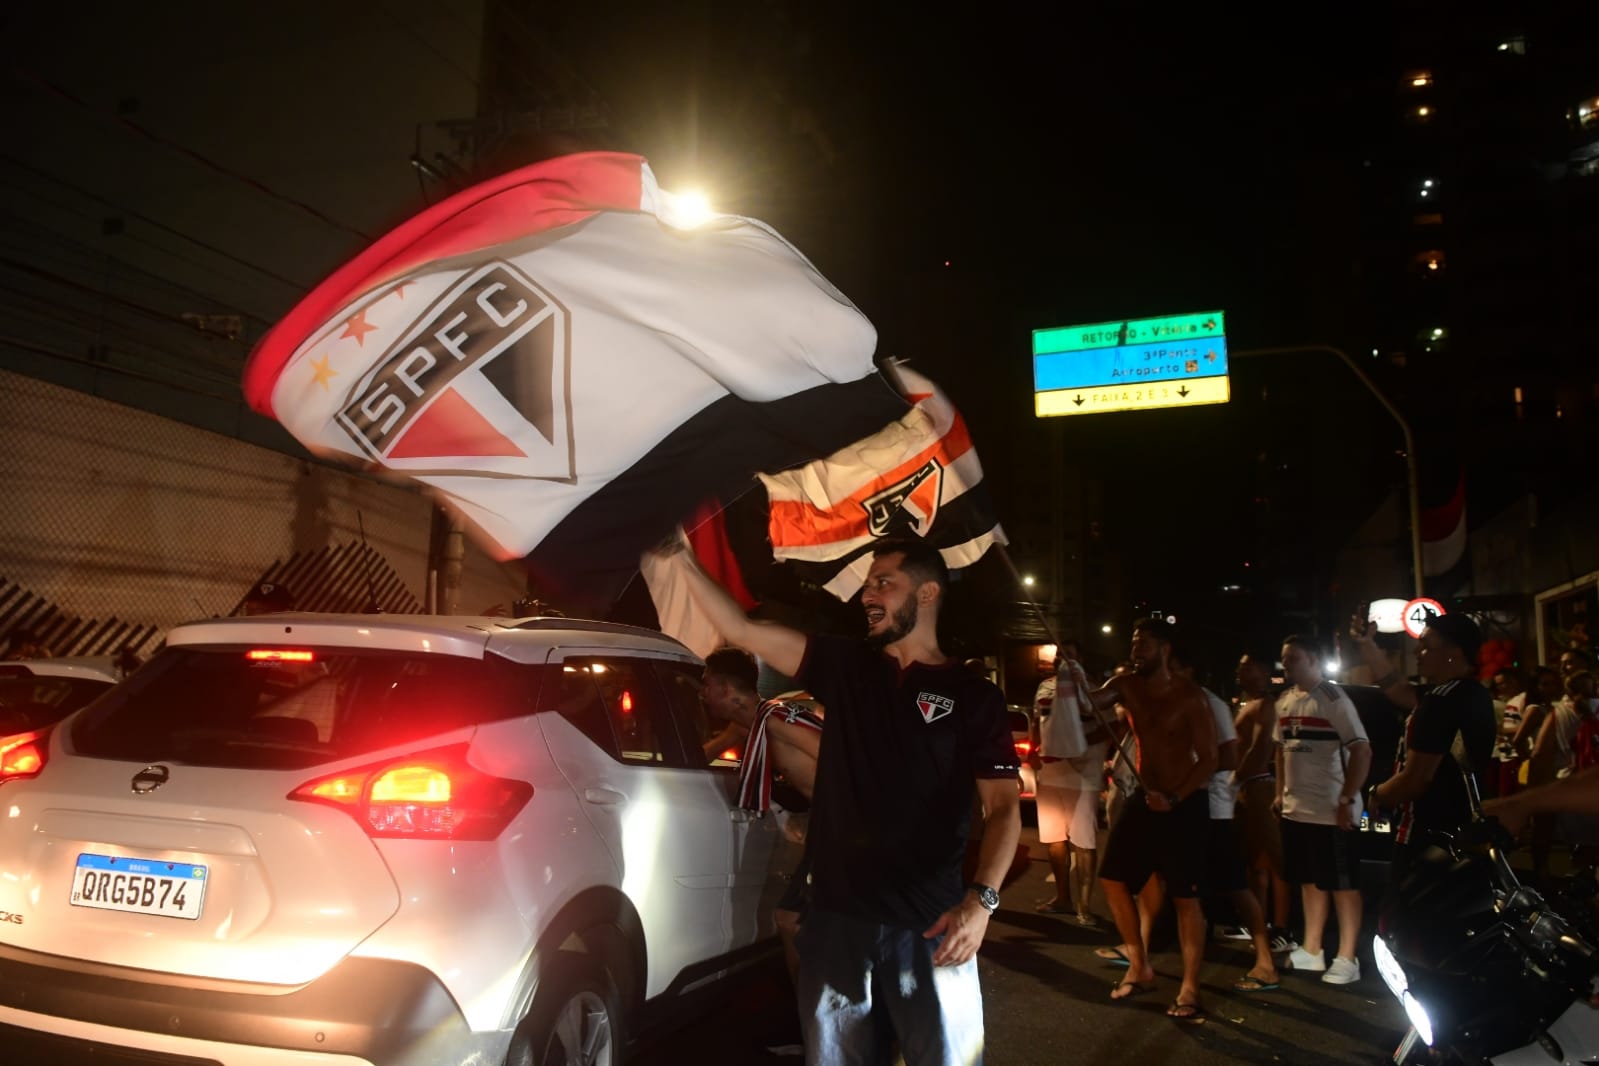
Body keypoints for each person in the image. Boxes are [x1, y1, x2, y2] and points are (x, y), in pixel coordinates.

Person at [652, 535, 1021, 1066]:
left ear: (927, 593)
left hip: (932, 924)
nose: (867, 595)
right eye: (868, 584)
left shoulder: (974, 695)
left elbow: (1005, 807)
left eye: (883, 583)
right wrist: (678, 556)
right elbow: (741, 630)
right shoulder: (846, 664)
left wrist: (981, 903)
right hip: (837, 921)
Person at [1071, 618, 1217, 1021]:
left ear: (1165, 649)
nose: (1137, 650)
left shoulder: (1191, 697)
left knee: (1186, 898)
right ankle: (1140, 965)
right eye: (1134, 643)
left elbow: (1210, 759)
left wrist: (1173, 797)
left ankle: (1190, 988)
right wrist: (1073, 674)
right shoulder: (1126, 684)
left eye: (1146, 644)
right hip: (1142, 797)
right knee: (1113, 878)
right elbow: (1090, 702)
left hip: (1183, 803)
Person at [1354, 613, 1496, 887]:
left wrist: (1375, 795)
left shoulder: (1441, 702)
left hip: (1426, 833)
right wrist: (1367, 644)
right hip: (1461, 831)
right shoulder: (1469, 694)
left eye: (1426, 644)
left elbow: (1416, 779)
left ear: (1454, 652)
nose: (1418, 652)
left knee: (1406, 921)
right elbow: (1398, 689)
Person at [1275, 634, 1371, 986]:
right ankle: (1312, 949)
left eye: (1294, 658)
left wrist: (1348, 800)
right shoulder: (1285, 700)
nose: (1287, 664)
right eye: (1285, 658)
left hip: (1332, 811)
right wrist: (1279, 793)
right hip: (1297, 809)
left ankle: (1348, 957)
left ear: (1314, 660)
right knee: (1310, 880)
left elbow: (1362, 750)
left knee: (1343, 886)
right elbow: (1280, 749)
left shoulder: (1333, 699)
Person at [1028, 656, 1108, 926]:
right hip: (1051, 774)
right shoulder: (1045, 688)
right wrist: (1035, 749)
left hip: (1083, 775)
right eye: (1061, 656)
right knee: (1054, 839)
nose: (1065, 661)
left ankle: (1084, 905)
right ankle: (1063, 898)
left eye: (1072, 655)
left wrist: (1072, 744)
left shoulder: (1096, 692)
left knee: (1084, 841)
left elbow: (1110, 729)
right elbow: (1038, 721)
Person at [1231, 653, 1293, 951]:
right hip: (1248, 787)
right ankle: (1257, 921)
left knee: (1276, 859)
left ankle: (1282, 927)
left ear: (1264, 671)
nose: (1241, 672)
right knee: (1255, 860)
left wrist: (1234, 779)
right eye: (1240, 667)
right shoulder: (1251, 703)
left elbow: (1260, 748)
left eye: (1248, 667)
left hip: (1261, 786)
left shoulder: (1267, 705)